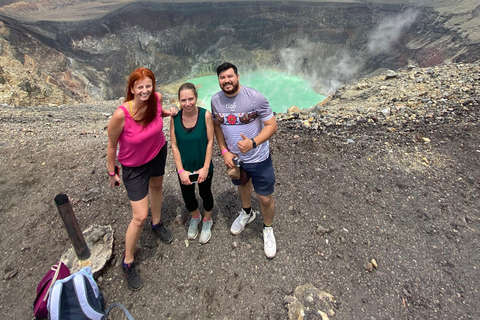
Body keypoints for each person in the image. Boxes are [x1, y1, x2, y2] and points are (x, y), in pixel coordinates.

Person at [107, 67, 177, 290]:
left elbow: (157, 113)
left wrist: (168, 112)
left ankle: (157, 224)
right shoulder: (121, 114)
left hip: (157, 152)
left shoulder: (157, 98)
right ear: (131, 88)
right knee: (139, 216)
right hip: (134, 167)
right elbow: (111, 145)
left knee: (157, 186)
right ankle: (128, 262)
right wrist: (112, 172)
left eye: (149, 85)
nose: (146, 90)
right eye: (141, 87)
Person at [211, 62, 278, 258]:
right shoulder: (216, 101)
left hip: (258, 157)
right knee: (243, 184)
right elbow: (217, 126)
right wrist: (224, 151)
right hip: (235, 159)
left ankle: (267, 228)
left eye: (230, 76)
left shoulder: (255, 98)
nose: (226, 81)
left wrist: (253, 143)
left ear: (238, 77)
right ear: (219, 80)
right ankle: (247, 213)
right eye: (222, 78)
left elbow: (271, 125)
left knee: (264, 197)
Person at [170, 83, 215, 244]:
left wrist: (206, 167)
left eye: (190, 99)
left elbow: (210, 142)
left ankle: (207, 220)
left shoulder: (205, 116)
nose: (187, 103)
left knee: (205, 194)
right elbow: (174, 145)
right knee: (188, 197)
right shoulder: (175, 118)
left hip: (203, 167)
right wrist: (180, 170)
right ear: (179, 101)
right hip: (185, 168)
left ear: (196, 98)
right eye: (183, 100)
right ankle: (195, 216)